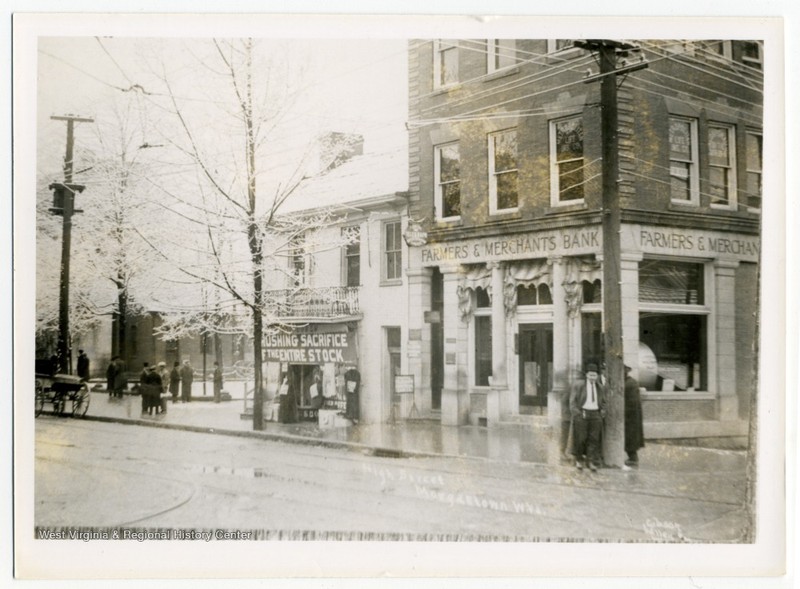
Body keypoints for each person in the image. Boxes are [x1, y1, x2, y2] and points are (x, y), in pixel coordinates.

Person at [569, 362, 607, 472]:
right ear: (586, 375)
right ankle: (579, 460)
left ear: (597, 376)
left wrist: (602, 413)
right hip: (583, 414)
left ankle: (590, 461)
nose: (592, 378)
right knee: (581, 439)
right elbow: (572, 402)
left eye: (594, 375)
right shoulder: (579, 386)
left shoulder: (600, 387)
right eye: (590, 375)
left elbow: (604, 402)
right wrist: (578, 414)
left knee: (594, 439)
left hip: (595, 415)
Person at [624, 365, 645, 467]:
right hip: (629, 415)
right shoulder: (629, 382)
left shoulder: (630, 383)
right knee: (629, 437)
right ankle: (632, 457)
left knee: (630, 438)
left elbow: (631, 402)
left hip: (630, 416)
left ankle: (633, 458)